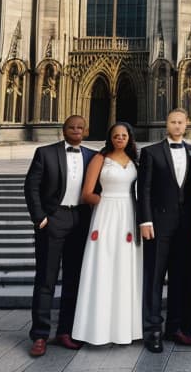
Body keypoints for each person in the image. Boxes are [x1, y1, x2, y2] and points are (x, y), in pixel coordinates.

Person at [24, 115, 96, 357]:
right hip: (53, 220)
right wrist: (40, 218)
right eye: (71, 127)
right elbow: (31, 186)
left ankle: (66, 331)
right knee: (46, 279)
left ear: (86, 131)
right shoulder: (45, 153)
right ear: (63, 130)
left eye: (80, 127)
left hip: (80, 221)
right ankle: (40, 335)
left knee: (74, 279)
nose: (76, 130)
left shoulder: (92, 156)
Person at [72, 122, 142, 345]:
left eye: (124, 135)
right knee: (103, 266)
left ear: (129, 138)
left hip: (129, 214)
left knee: (125, 268)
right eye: (116, 135)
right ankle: (97, 328)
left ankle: (125, 328)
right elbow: (87, 193)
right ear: (110, 138)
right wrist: (105, 203)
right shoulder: (100, 159)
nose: (120, 138)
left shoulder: (135, 161)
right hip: (106, 214)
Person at [137, 108, 191, 353]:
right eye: (172, 121)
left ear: (186, 125)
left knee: (180, 278)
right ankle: (153, 330)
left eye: (180, 122)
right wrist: (145, 220)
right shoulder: (151, 152)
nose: (176, 125)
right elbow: (145, 190)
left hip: (186, 226)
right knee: (154, 277)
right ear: (166, 124)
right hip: (159, 224)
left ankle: (176, 327)